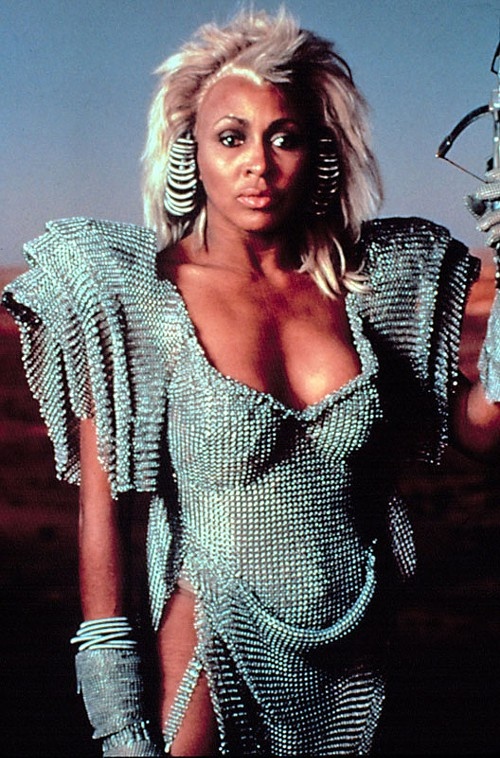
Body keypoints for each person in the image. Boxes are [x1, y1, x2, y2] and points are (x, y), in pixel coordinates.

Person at [3, 7, 500, 757]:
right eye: (231, 137)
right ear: (191, 151)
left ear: (319, 153)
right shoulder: (131, 291)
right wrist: (118, 723)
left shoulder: (378, 283)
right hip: (210, 651)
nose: (257, 165)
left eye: (284, 137)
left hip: (360, 658)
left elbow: (480, 430)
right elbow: (103, 517)